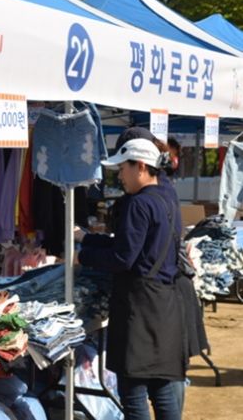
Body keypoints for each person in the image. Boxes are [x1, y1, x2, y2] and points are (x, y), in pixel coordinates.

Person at [75, 138, 187, 420]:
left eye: (122, 169)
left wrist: (82, 257)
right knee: (161, 389)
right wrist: (89, 241)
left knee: (133, 391)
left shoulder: (138, 204)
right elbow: (132, 247)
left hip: (139, 307)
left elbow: (122, 258)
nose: (119, 176)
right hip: (164, 304)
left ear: (140, 166)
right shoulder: (167, 198)